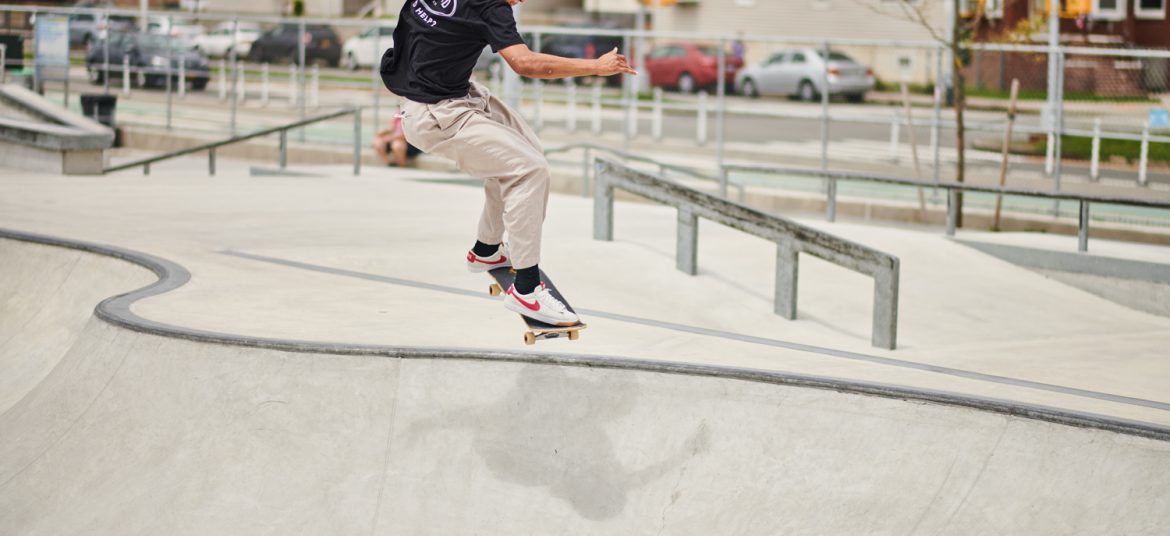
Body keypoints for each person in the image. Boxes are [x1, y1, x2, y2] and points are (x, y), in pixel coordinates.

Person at [380, 0, 636, 327]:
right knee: (529, 169)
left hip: (458, 95)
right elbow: (525, 63)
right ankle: (526, 289)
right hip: (438, 115)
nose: (519, 3)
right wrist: (597, 67)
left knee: (527, 151)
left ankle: (486, 249)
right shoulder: (491, 7)